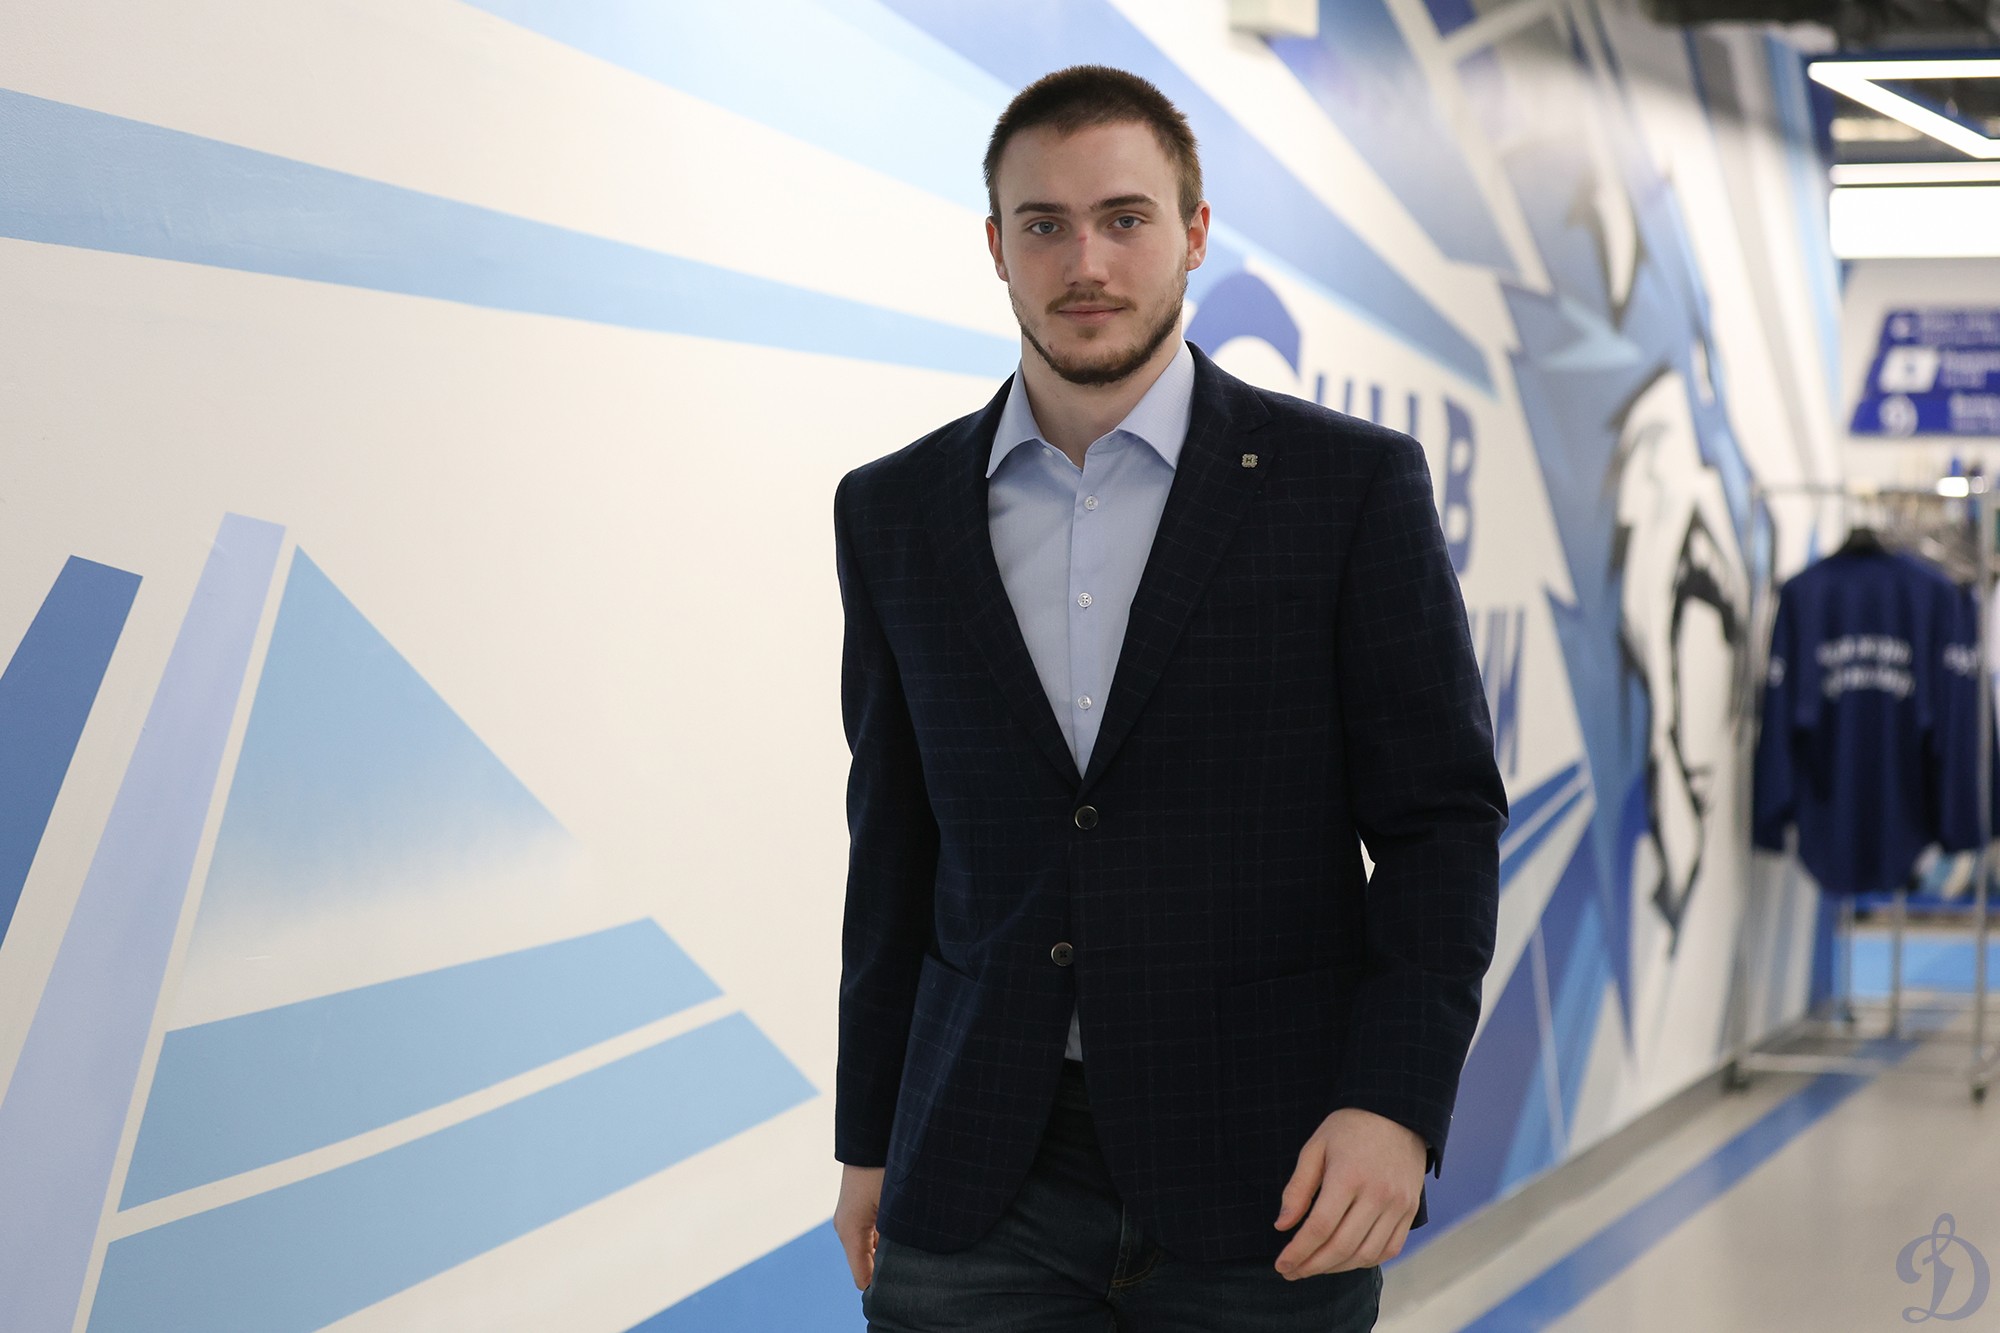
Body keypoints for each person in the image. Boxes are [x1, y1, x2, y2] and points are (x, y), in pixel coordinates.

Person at [830, 64, 1505, 1332]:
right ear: (995, 247)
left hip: (1268, 1172)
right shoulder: (892, 512)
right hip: (977, 1171)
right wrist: (867, 1136)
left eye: (1124, 218)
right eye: (1043, 223)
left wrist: (1395, 1102)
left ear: (1192, 234)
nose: (1084, 261)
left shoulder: (1344, 488)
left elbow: (1440, 826)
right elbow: (895, 853)